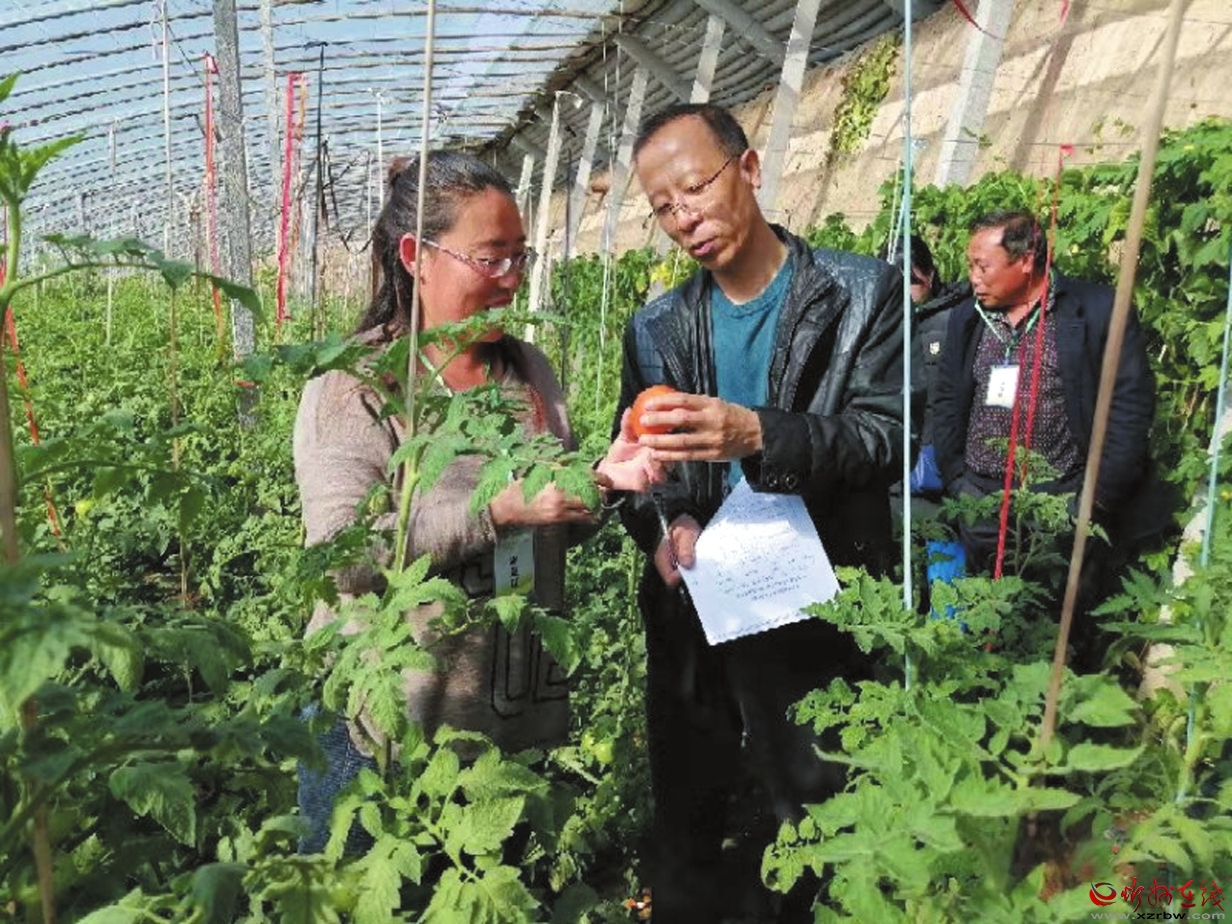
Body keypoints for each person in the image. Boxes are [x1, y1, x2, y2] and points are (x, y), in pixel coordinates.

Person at [292, 150, 659, 854]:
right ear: (416, 257)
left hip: (505, 726)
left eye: (521, 256)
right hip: (382, 735)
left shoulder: (527, 372)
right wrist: (497, 511)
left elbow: (549, 530)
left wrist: (600, 483)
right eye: (491, 259)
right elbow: (341, 560)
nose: (512, 279)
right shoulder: (356, 385)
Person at [614, 103, 910, 922]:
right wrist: (665, 525)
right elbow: (638, 459)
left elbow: (885, 435)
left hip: (813, 600)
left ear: (747, 169)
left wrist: (758, 434)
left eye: (695, 188)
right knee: (692, 813)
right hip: (701, 607)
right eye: (663, 207)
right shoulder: (657, 327)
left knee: (818, 808)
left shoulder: (861, 295)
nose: (684, 218)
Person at [932, 210, 1175, 600]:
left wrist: (1096, 501)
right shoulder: (968, 317)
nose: (973, 277)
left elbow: (1129, 410)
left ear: (1026, 261)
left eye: (983, 266)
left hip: (1060, 504)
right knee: (989, 610)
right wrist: (957, 479)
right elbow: (947, 398)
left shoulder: (1097, 312)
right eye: (970, 265)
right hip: (980, 502)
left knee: (1058, 610)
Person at [885, 233, 972, 499]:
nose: (903, 292)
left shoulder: (956, 320)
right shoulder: (884, 325)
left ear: (930, 275)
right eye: (893, 283)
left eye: (911, 282)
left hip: (940, 462)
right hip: (895, 463)